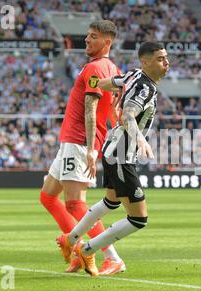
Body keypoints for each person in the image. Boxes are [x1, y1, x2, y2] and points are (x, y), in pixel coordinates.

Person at [56, 42, 169, 276]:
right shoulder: (145, 87)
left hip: (112, 150)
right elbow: (128, 114)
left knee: (111, 201)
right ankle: (87, 249)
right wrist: (140, 139)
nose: (166, 62)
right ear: (145, 61)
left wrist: (108, 88)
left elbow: (107, 84)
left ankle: (71, 238)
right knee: (138, 219)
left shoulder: (133, 74)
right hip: (121, 155)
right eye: (160, 59)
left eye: (166, 58)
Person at [40, 20, 124, 275]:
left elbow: (92, 107)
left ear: (106, 42)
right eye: (87, 36)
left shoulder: (96, 68)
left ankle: (110, 256)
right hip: (73, 141)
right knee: (48, 196)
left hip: (79, 141)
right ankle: (77, 249)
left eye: (93, 37)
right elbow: (113, 110)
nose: (86, 40)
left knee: (76, 204)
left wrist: (90, 147)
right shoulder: (111, 68)